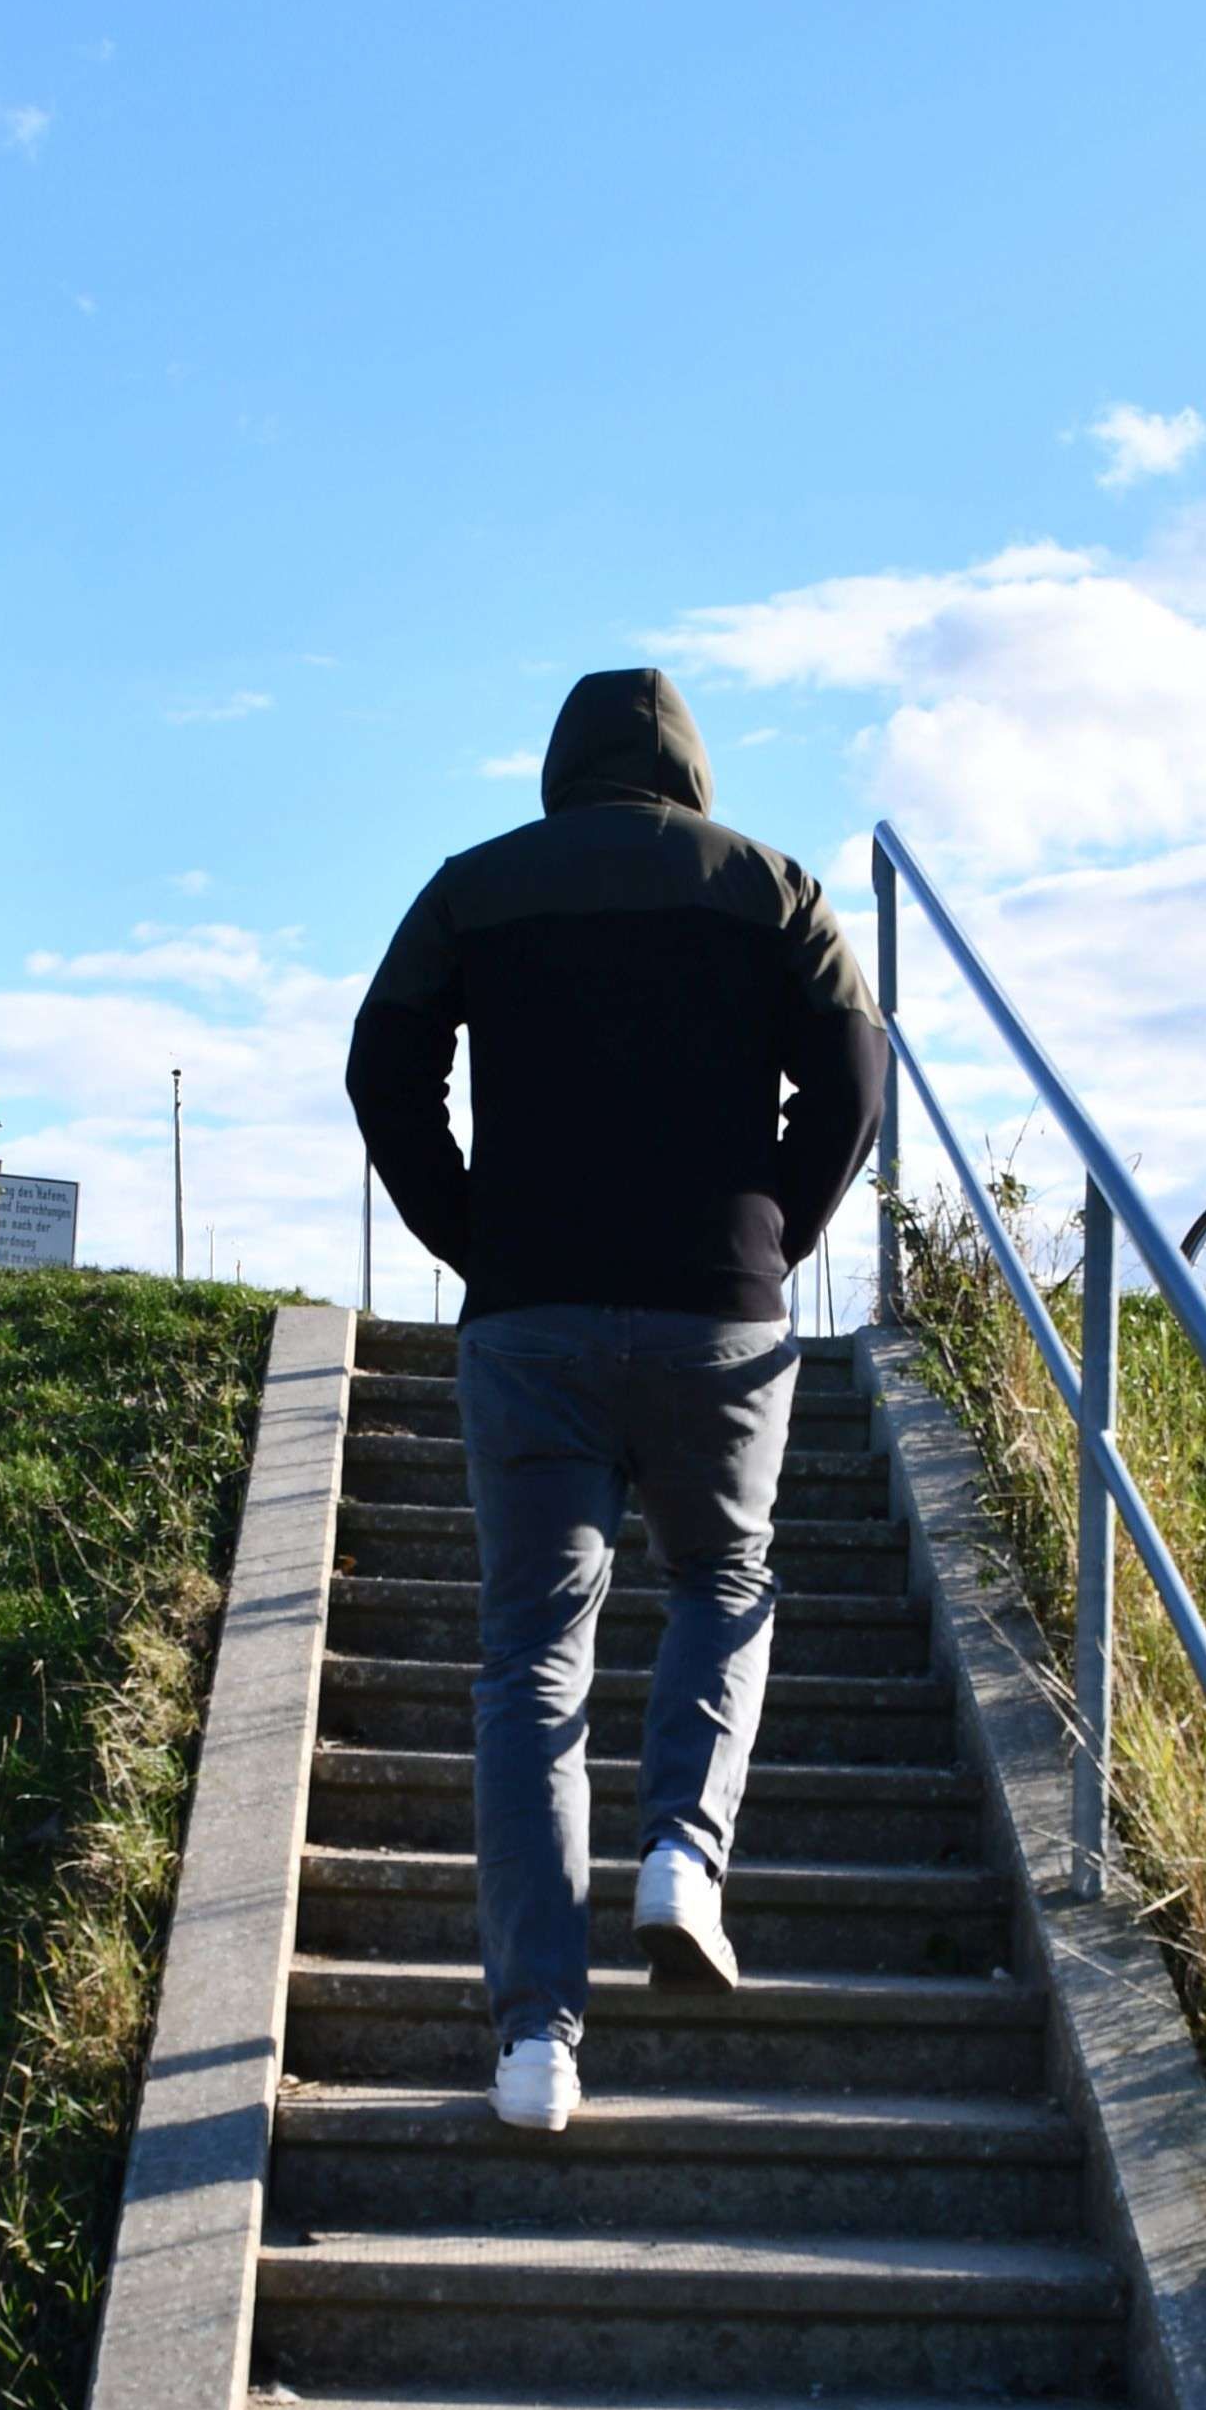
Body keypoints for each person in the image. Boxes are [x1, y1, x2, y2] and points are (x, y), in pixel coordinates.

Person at [345, 666, 887, 2132]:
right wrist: (781, 1228)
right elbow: (853, 1069)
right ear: (692, 770)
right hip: (722, 1315)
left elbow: (382, 1066)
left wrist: (468, 1228)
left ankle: (536, 2041)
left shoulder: (473, 887)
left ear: (559, 766)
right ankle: (683, 1856)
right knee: (725, 1578)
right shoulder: (775, 888)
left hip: (530, 1317)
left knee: (531, 1660)